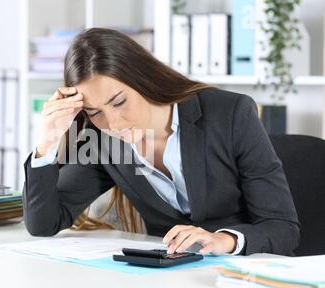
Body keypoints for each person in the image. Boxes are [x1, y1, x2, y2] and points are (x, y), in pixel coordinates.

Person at [22, 28, 300, 256]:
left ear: (143, 78)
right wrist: (47, 143)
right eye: (94, 113)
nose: (114, 124)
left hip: (243, 274)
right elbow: (44, 223)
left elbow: (283, 229)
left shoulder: (230, 113)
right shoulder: (102, 140)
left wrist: (223, 240)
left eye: (119, 101)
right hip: (167, 279)